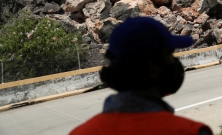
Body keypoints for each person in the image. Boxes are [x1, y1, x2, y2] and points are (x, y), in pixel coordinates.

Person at [70, 17, 213, 135]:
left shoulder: (80, 132)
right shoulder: (190, 131)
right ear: (153, 68)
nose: (175, 63)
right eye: (169, 55)